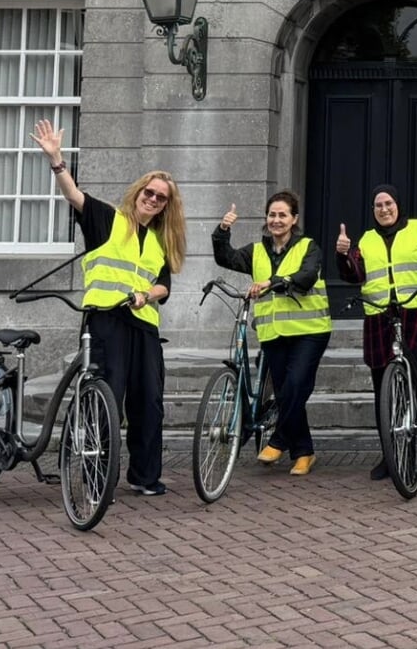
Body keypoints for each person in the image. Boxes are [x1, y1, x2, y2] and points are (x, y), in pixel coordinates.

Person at [31, 118, 184, 497]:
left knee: (149, 401)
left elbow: (164, 284)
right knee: (107, 399)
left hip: (143, 326)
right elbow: (73, 195)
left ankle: (144, 476)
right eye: (149, 191)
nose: (152, 199)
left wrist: (148, 295)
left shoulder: (160, 242)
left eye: (160, 197)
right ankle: (99, 479)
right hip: (105, 321)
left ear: (166, 206)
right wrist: (57, 161)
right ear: (138, 192)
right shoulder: (107, 219)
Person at [335, 184, 417, 482]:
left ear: (397, 205)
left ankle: (412, 449)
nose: (384, 209)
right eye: (378, 205)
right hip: (380, 317)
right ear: (373, 210)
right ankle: (390, 454)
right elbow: (355, 275)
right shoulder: (367, 239)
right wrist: (344, 255)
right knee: (382, 389)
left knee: (413, 383)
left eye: (388, 203)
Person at [213, 191, 329, 476]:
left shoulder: (308, 247)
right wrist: (223, 231)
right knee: (286, 392)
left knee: (295, 386)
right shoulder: (256, 251)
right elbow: (225, 258)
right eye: (272, 215)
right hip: (273, 334)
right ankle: (304, 452)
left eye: (282, 215)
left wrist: (275, 281)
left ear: (294, 220)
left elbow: (307, 276)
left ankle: (279, 439)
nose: (276, 220)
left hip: (309, 330)